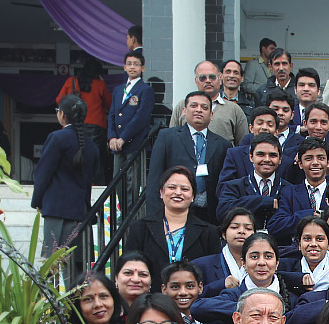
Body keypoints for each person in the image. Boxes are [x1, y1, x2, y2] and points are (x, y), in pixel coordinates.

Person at [31, 95, 99, 261]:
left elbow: (43, 173)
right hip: (80, 212)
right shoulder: (91, 145)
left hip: (57, 209)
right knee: (77, 270)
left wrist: (37, 201)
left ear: (62, 114)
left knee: (52, 265)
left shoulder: (57, 138)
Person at [125, 166, 222, 279]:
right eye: (171, 187)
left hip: (194, 295)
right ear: (161, 192)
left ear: (193, 196)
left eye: (184, 189)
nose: (178, 192)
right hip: (151, 295)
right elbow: (129, 266)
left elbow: (212, 273)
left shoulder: (209, 232)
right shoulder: (140, 228)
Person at [147, 91, 230, 223]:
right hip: (174, 211)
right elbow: (154, 179)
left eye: (204, 107)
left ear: (211, 115)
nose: (199, 110)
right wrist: (154, 217)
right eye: (194, 106)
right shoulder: (166, 137)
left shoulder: (223, 145)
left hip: (209, 215)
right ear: (184, 111)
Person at [108, 51, 154, 208]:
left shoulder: (145, 89)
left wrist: (123, 138)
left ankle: (129, 215)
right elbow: (112, 115)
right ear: (124, 67)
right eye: (129, 64)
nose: (132, 67)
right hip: (117, 144)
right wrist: (112, 138)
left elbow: (141, 118)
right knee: (117, 180)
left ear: (143, 68)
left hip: (134, 143)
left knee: (131, 182)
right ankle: (123, 211)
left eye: (136, 64)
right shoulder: (118, 90)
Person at [55, 58, 111, 184]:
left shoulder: (71, 82)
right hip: (95, 125)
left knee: (72, 153)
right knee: (92, 156)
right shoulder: (99, 84)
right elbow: (109, 104)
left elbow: (59, 100)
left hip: (72, 123)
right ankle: (94, 184)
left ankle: (71, 181)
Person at [169, 61, 248, 146]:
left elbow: (243, 146)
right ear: (196, 81)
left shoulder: (234, 109)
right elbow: (171, 140)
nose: (208, 81)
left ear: (220, 79)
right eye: (202, 78)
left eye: (212, 77)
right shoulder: (183, 106)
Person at [216, 132, 285, 227]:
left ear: (280, 159)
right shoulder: (234, 186)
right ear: (251, 157)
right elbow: (222, 213)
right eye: (261, 154)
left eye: (272, 155)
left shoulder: (289, 189)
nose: (267, 159)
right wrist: (263, 201)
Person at [195, 207, 254, 296]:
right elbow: (191, 296)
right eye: (234, 227)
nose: (241, 231)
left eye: (248, 228)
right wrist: (221, 284)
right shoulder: (202, 265)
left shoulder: (263, 264)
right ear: (224, 234)